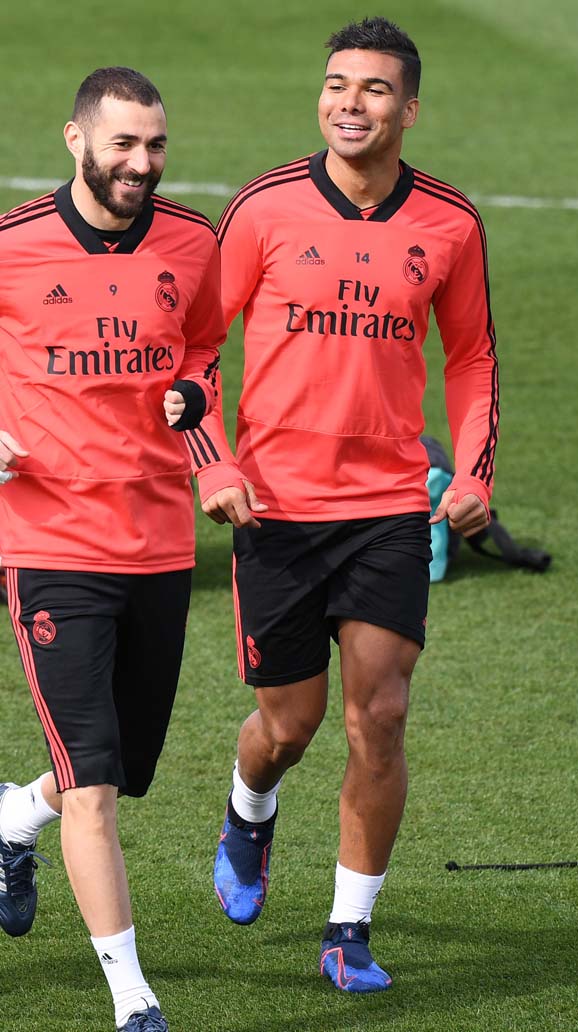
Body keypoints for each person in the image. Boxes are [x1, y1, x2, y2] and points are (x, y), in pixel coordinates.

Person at [183, 16, 499, 993]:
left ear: (409, 108)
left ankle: (348, 930)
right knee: (288, 727)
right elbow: (195, 350)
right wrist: (212, 465)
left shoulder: (450, 223)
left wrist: (475, 475)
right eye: (335, 85)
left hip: (389, 509)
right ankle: (249, 814)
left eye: (372, 89)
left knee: (380, 717)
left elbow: (473, 358)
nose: (349, 103)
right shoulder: (263, 209)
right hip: (275, 511)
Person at [0, 67, 225, 1032]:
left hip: (159, 542)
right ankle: (134, 1001)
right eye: (124, 144)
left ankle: (12, 820)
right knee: (95, 788)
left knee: (119, 761)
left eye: (155, 145)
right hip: (48, 540)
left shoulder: (194, 242)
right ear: (76, 139)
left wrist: (196, 392)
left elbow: (205, 346)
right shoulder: (12, 245)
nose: (141, 163)